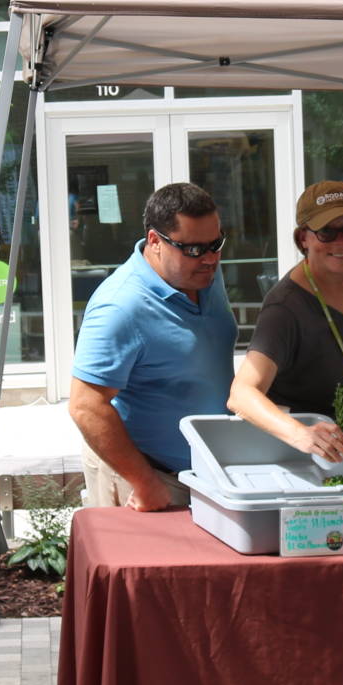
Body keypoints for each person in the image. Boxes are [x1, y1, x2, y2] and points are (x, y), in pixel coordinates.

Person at [67, 182, 236, 510]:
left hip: (205, 475)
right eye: (194, 249)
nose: (210, 259)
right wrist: (144, 481)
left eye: (216, 244)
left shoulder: (205, 274)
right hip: (149, 479)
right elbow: (85, 406)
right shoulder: (121, 306)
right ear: (156, 241)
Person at [228, 180, 343, 466]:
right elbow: (241, 395)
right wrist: (300, 434)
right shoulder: (285, 307)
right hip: (307, 467)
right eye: (326, 232)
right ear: (303, 237)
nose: (341, 242)